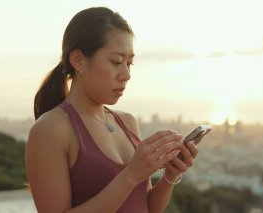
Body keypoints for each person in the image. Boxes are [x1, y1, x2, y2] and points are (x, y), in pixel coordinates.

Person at [25, 7, 199, 213]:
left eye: (129, 63)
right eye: (116, 61)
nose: (126, 74)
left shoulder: (127, 122)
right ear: (78, 60)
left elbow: (146, 207)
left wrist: (170, 175)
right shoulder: (51, 129)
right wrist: (131, 175)